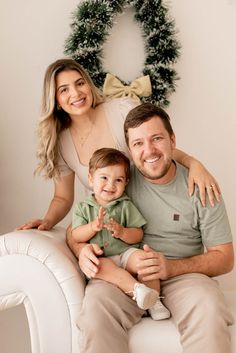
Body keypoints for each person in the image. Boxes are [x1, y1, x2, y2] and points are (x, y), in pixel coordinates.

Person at [75, 103, 234, 353]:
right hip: (124, 275)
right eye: (138, 143)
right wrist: (80, 249)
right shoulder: (120, 178)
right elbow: (79, 223)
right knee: (96, 310)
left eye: (156, 138)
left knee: (208, 306)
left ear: (172, 140)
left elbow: (225, 259)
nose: (148, 150)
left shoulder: (201, 185)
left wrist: (171, 267)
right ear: (129, 149)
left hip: (183, 277)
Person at [17, 58, 220, 233]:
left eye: (80, 83)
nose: (76, 93)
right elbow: (62, 197)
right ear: (57, 100)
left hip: (150, 215)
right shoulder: (61, 142)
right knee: (74, 235)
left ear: (88, 85)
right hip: (110, 224)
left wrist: (194, 164)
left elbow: (157, 149)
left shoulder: (122, 110)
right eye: (64, 89)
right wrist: (47, 221)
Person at [71, 147, 170, 318]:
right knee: (99, 267)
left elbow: (138, 234)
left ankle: (154, 301)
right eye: (104, 178)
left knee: (147, 261)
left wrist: (122, 232)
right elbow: (76, 235)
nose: (111, 185)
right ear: (90, 179)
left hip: (126, 253)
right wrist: (92, 227)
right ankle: (138, 290)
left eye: (118, 180)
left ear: (126, 183)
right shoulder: (83, 208)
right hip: (104, 258)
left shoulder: (125, 205)